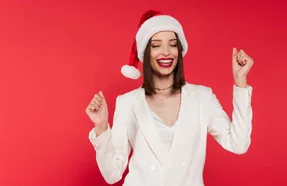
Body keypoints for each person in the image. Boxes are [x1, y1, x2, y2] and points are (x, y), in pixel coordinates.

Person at [85, 10, 254, 186]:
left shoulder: (202, 98)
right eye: (156, 45)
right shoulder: (127, 103)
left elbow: (238, 144)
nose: (166, 52)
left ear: (179, 50)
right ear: (145, 52)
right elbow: (112, 173)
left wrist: (240, 81)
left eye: (172, 44)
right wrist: (101, 127)